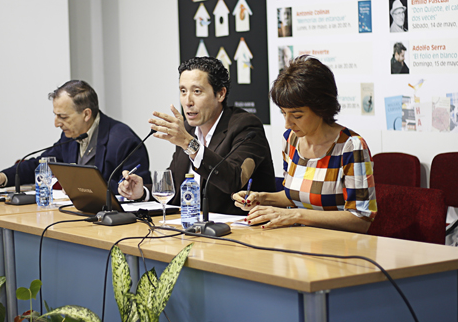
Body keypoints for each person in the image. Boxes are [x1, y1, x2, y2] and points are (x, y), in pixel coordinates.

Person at [232, 56, 376, 231]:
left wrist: (296, 215)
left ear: (321, 108)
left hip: (339, 247)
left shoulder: (351, 147)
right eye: (283, 113)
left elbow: (361, 220)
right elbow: (296, 195)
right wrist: (261, 198)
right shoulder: (291, 140)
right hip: (297, 242)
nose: (288, 123)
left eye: (297, 115)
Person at [118, 57, 275, 215]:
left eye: (197, 91)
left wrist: (188, 144)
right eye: (183, 91)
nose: (188, 101)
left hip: (241, 231)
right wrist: (142, 191)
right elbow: (176, 188)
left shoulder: (245, 126)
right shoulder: (188, 129)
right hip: (194, 229)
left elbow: (234, 181)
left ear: (220, 94)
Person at [0, 80, 150, 192]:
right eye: (55, 115)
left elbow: (137, 190)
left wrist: (86, 185)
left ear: (86, 114)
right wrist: (4, 177)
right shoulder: (70, 137)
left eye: (63, 117)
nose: (56, 123)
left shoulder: (124, 142)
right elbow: (40, 165)